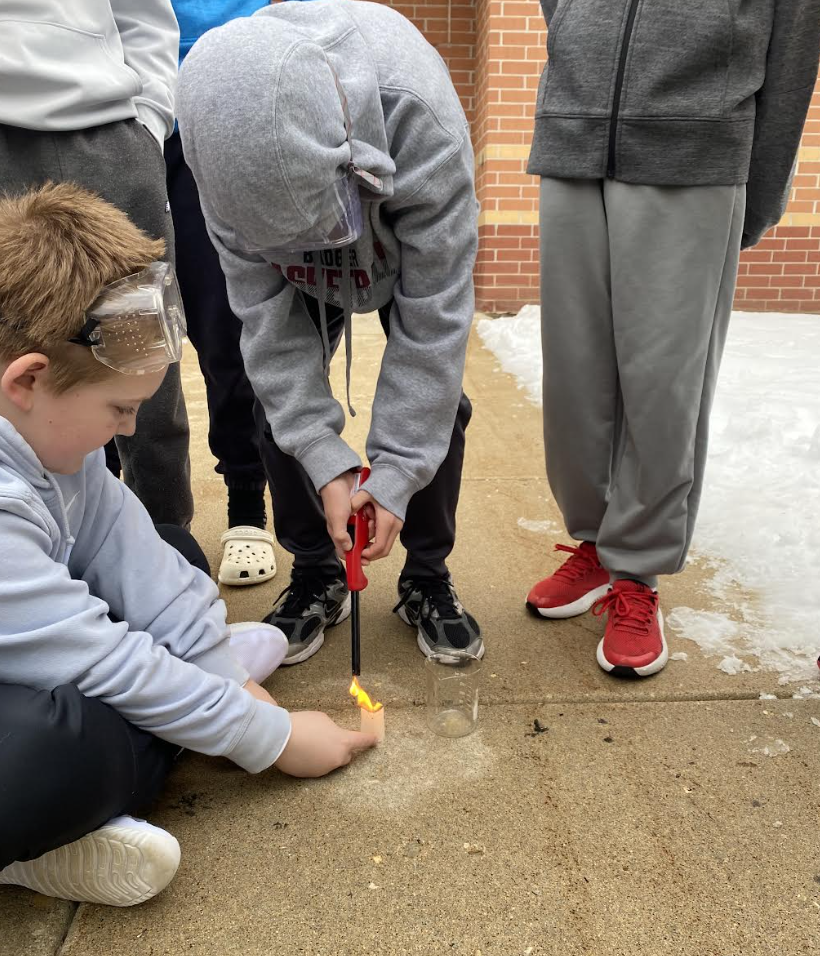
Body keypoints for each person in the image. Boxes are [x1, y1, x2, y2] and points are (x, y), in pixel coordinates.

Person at [0, 184, 377, 907]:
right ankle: (35, 843)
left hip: (33, 642)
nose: (131, 431)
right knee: (66, 747)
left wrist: (224, 682)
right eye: (119, 408)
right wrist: (271, 738)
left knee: (175, 551)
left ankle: (103, 788)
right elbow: (107, 661)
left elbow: (135, 554)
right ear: (29, 379)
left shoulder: (54, 442)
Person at [176, 0, 483, 665]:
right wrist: (320, 452)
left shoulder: (418, 117)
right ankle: (317, 569)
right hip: (300, 220)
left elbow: (433, 325)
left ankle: (426, 576)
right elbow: (269, 332)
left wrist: (397, 471)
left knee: (438, 400)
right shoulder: (216, 145)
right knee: (278, 402)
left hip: (396, 240)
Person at [525, 0, 820, 677]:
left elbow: (794, 53)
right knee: (574, 375)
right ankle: (597, 544)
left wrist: (759, 191)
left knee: (663, 382)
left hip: (695, 154)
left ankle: (639, 572)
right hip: (573, 144)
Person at [0, 0, 193, 527]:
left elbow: (146, 14)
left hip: (103, 128)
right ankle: (29, 557)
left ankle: (165, 543)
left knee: (144, 368)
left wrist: (148, 129)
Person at [167, 0, 277, 585]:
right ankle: (121, 511)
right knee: (109, 324)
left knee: (224, 330)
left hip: (218, 117)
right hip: (117, 114)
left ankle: (246, 507)